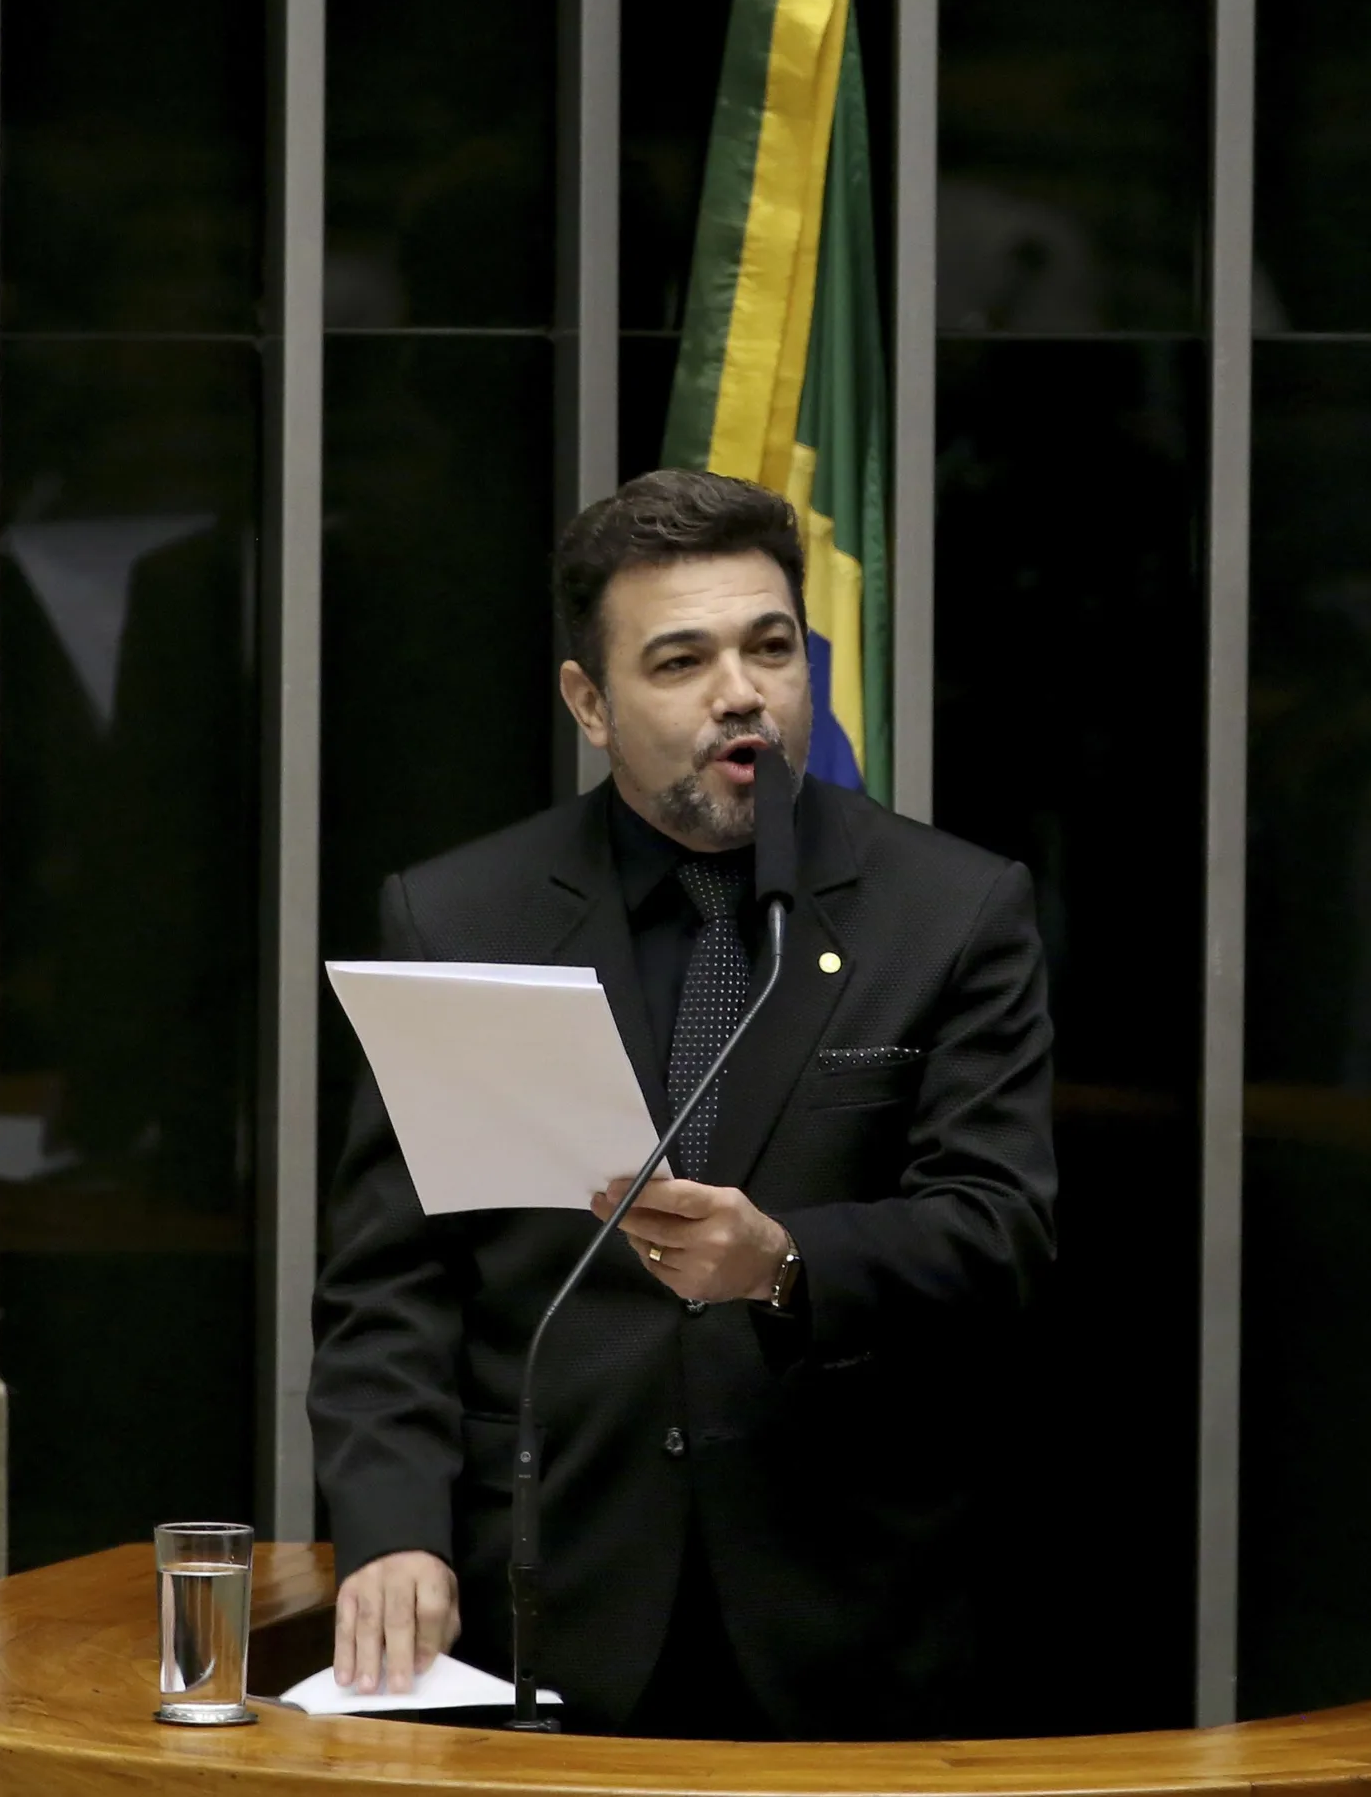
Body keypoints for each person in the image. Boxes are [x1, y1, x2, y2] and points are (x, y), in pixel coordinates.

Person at [309, 468, 1059, 1739]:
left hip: (846, 1602)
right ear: (589, 703)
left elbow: (997, 1228)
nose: (741, 693)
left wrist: (785, 1259)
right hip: (545, 1595)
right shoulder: (463, 917)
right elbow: (396, 1279)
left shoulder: (949, 912)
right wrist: (392, 1534)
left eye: (771, 647)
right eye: (681, 660)